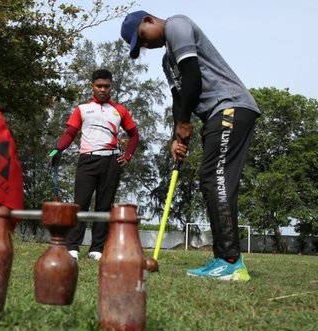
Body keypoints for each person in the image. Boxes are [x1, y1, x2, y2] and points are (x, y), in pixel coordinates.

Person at [121, 11, 260, 281]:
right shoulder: (166, 60)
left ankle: (231, 261)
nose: (146, 46)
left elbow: (193, 76)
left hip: (230, 106)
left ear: (148, 20)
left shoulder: (177, 25)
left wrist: (185, 121)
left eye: (142, 39)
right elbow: (179, 97)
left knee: (217, 178)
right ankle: (223, 258)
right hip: (215, 115)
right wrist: (178, 136)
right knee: (209, 179)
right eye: (141, 47)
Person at [49, 69, 139, 261]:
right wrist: (58, 149)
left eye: (106, 86)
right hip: (87, 161)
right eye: (99, 86)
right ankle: (73, 246)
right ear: (92, 87)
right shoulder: (82, 109)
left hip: (111, 162)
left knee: (104, 206)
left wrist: (128, 156)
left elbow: (134, 135)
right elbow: (70, 133)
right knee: (80, 204)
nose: (102, 90)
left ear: (111, 87)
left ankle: (97, 249)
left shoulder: (120, 110)